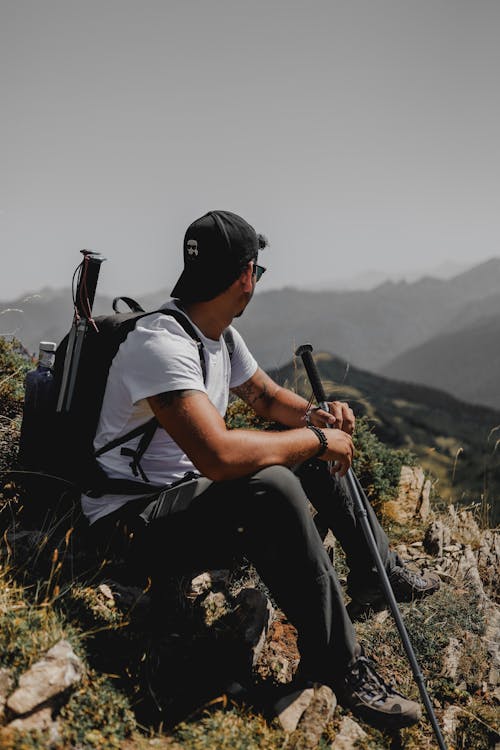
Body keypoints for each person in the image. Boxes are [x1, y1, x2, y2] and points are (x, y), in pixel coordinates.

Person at [82, 210, 439, 729]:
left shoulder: (217, 334)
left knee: (301, 454)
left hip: (187, 502)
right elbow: (218, 456)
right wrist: (318, 439)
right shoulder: (162, 344)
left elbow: (267, 398)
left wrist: (316, 419)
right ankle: (344, 668)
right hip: (129, 523)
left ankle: (374, 575)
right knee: (275, 479)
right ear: (246, 275)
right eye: (259, 272)